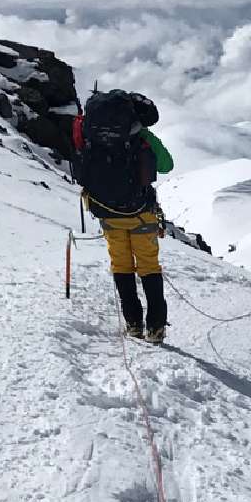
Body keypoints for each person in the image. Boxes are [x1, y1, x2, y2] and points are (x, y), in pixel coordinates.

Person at [72, 89, 173, 343]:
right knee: (148, 266)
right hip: (141, 214)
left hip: (107, 213)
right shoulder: (140, 136)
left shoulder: (90, 134)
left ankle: (133, 324)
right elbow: (166, 165)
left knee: (121, 266)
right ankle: (156, 328)